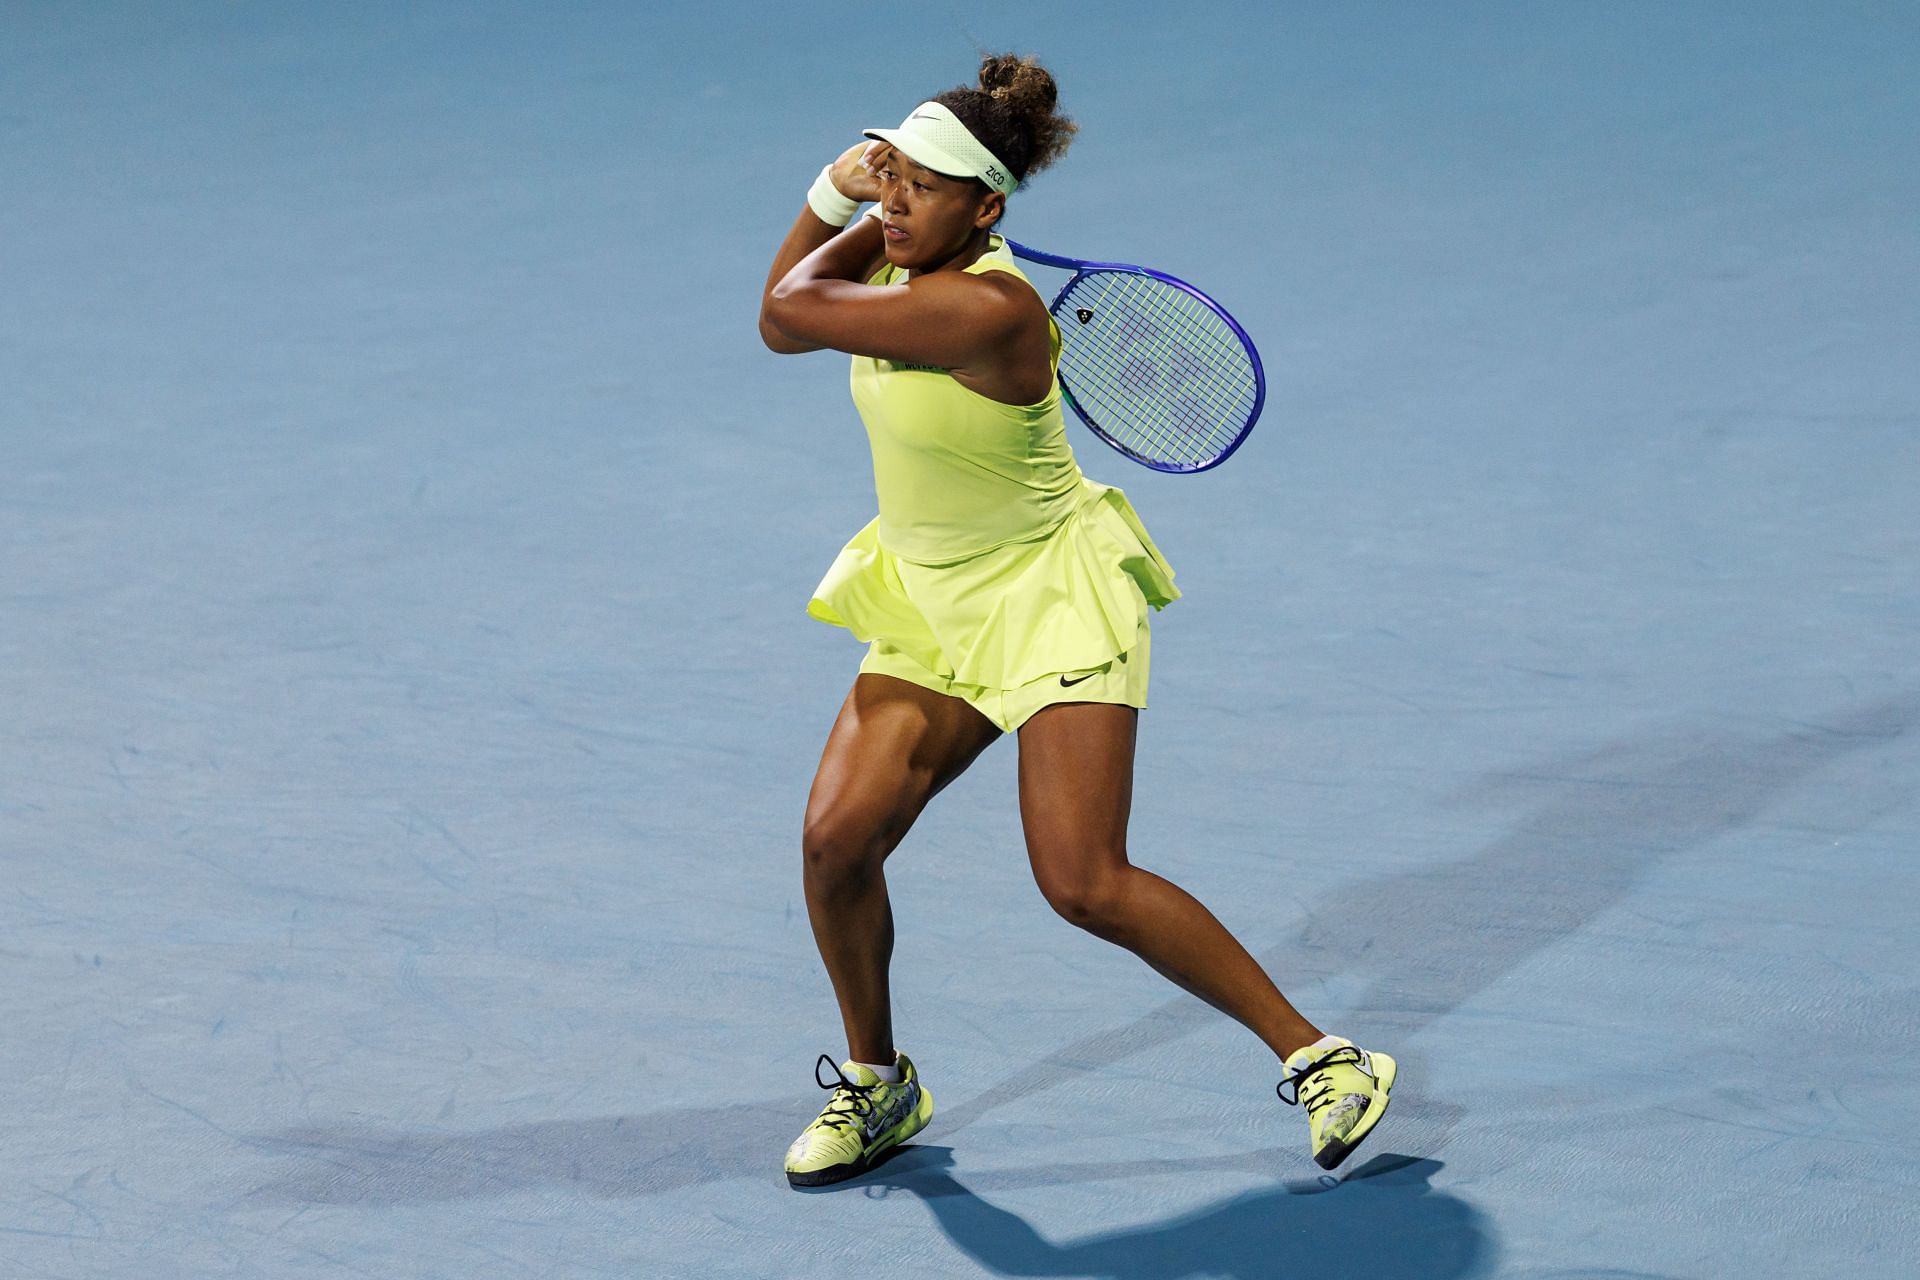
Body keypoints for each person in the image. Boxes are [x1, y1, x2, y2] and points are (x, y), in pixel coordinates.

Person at [758, 54, 1394, 1189]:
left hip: (1047, 594)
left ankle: (1325, 1057)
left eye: (925, 187)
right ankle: (879, 1080)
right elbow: (788, 317)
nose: (899, 200)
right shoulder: (914, 263)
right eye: (895, 175)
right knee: (834, 841)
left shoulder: (989, 307)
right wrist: (869, 199)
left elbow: (788, 308)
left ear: (988, 207)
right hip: (930, 594)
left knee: (1083, 878)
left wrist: (840, 192)